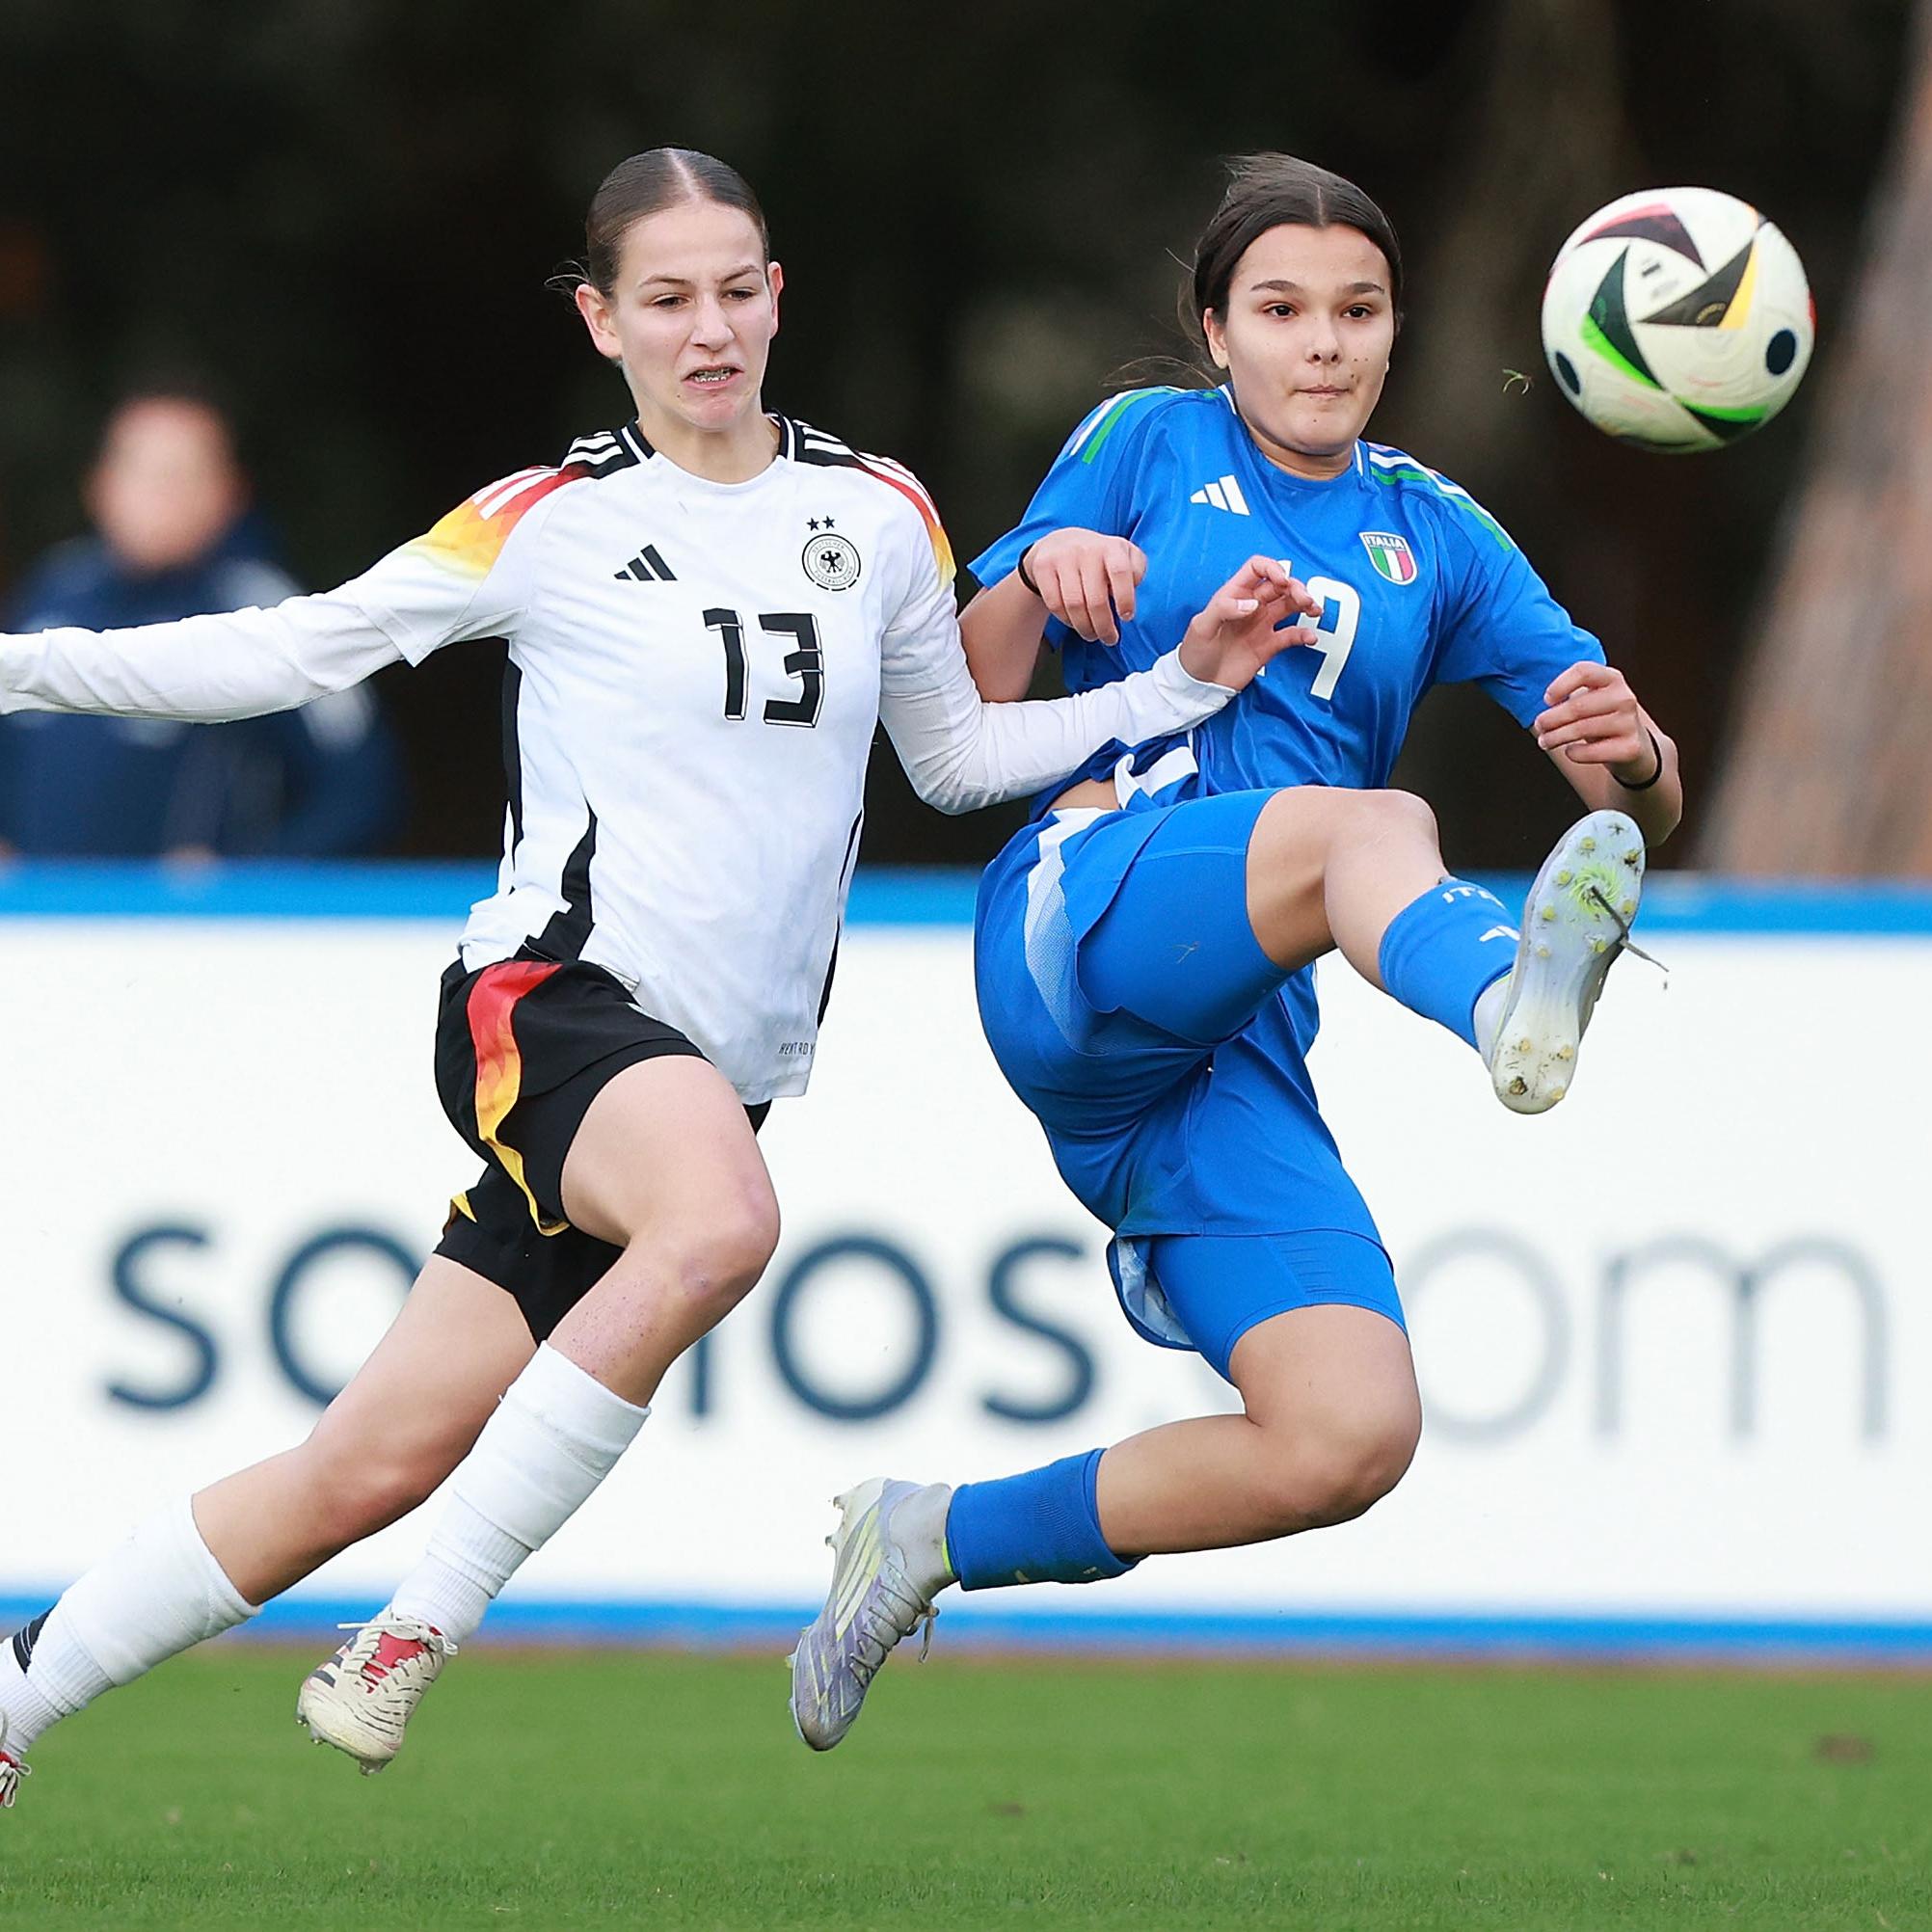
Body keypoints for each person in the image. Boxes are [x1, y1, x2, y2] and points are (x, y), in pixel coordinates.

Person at [0, 148, 1318, 1808]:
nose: (711, 327)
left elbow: (959, 753)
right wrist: (19, 672)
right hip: (548, 999)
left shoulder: (878, 510)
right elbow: (288, 646)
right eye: (669, 297)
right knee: (720, 1221)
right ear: (600, 318)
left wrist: (1171, 692)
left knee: (367, 1459)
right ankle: (416, 1631)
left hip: (711, 1070)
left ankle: (11, 1697)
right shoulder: (549, 521)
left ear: (778, 294)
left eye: (738, 285)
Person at [789, 153, 1682, 1750]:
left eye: (1354, 311)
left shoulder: (1438, 531)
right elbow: (958, 716)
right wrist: (1034, 576)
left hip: (1218, 1049)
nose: (1318, 343)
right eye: (1278, 310)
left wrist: (1629, 758)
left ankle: (922, 1535)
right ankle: (1501, 995)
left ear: (1394, 334)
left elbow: (1626, 790)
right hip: (1073, 920)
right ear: (1215, 331)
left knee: (1345, 1431)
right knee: (1360, 823)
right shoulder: (1144, 444)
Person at [0, 387, 399, 858]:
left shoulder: (266, 611)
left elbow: (360, 791)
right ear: (100, 483)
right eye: (142, 471)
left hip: (187, 929)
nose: (160, 495)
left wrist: (241, 883)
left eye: (182, 475)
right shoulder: (52, 590)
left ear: (229, 492)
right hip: (37, 922)